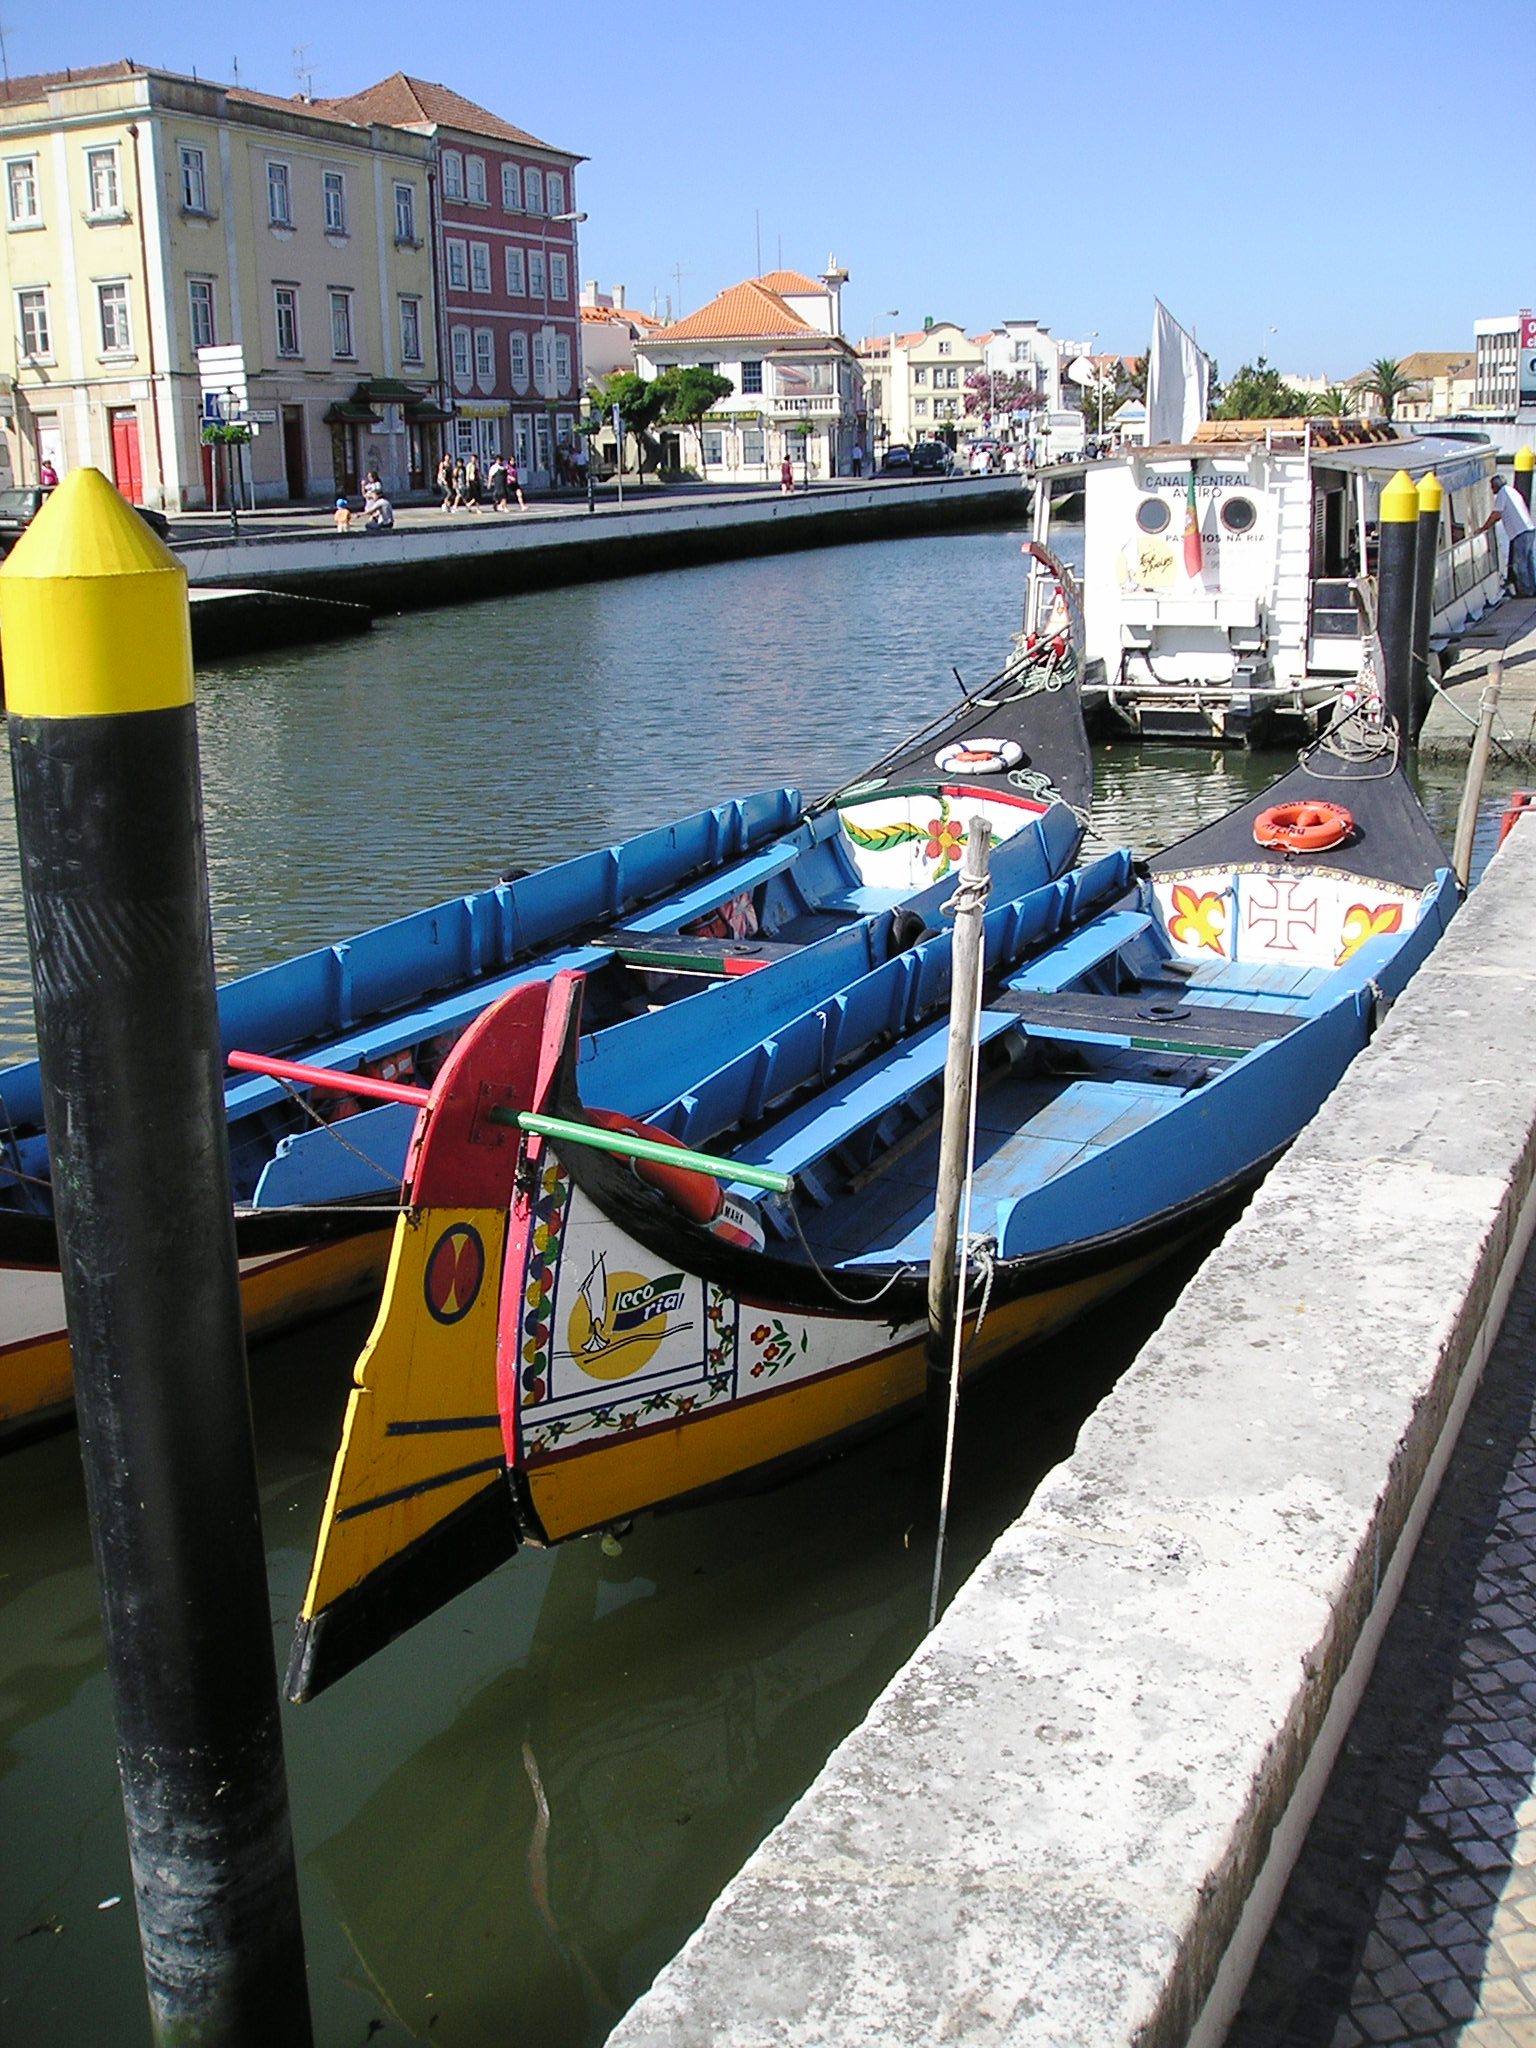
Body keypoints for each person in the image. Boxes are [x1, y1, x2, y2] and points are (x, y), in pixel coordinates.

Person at [1475, 472, 1536, 598]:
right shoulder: (1512, 491)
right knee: (1529, 561)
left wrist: (1483, 528)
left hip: (1520, 532)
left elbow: (1496, 515)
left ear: (1497, 485)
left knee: (1521, 563)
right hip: (1529, 529)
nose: (1492, 489)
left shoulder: (1503, 493)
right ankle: (1533, 588)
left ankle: (1525, 591)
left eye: (1492, 486)